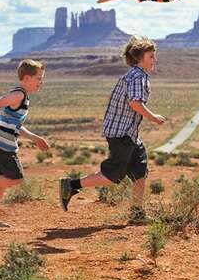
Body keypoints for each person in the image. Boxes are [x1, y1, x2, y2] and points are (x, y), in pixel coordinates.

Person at [59, 35, 166, 222]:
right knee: (112, 176)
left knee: (140, 172)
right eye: (151, 56)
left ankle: (137, 213)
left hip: (129, 134)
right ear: (140, 58)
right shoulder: (137, 77)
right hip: (121, 134)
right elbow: (135, 103)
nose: (154, 60)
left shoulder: (136, 75)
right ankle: (71, 185)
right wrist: (153, 117)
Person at [0, 59, 49, 218]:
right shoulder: (19, 95)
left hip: (2, 142)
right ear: (27, 78)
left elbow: (16, 125)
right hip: (2, 144)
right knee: (16, 178)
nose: (41, 82)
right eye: (39, 78)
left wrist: (34, 138)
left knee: (2, 182)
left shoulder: (23, 96)